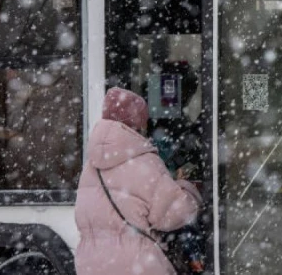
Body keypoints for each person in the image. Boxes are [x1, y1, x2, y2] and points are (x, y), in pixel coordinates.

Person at [74, 87, 201, 275]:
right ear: (138, 123)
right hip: (136, 265)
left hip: (91, 266)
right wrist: (187, 189)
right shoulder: (145, 161)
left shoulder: (91, 166)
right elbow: (174, 214)